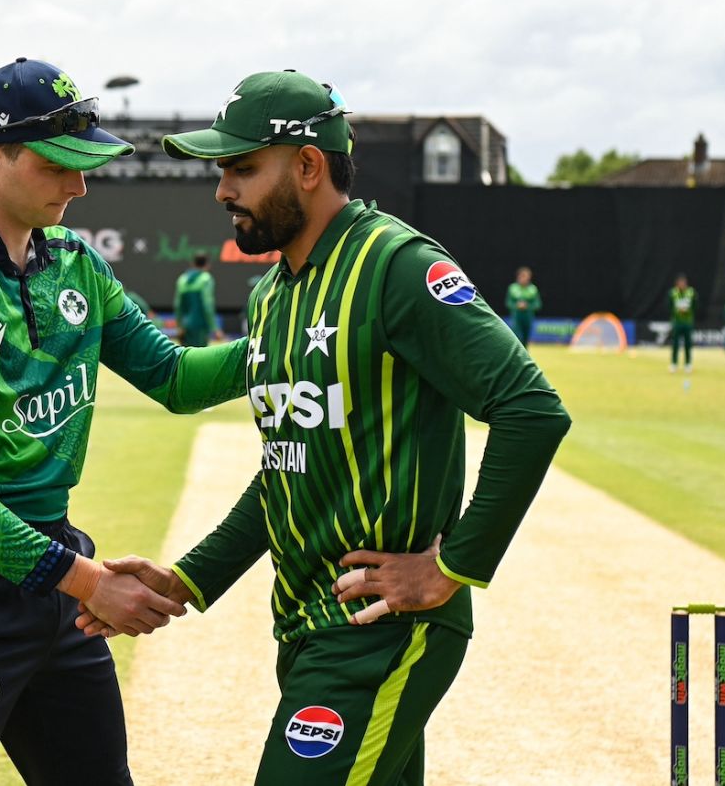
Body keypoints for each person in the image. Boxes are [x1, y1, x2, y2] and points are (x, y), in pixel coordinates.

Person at [78, 69, 571, 785]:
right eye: (221, 171)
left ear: (308, 166)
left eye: (242, 168)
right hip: (307, 630)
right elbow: (287, 463)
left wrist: (451, 566)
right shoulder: (274, 295)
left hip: (382, 632)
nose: (223, 191)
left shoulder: (397, 266)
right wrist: (187, 579)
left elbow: (530, 408)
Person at [0, 57, 248, 786]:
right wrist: (85, 581)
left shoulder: (76, 262)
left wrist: (283, 342)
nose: (80, 186)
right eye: (58, 167)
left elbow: (172, 377)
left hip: (56, 574)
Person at [174, 252, 219, 346]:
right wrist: (215, 328)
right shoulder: (206, 279)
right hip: (200, 327)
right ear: (207, 265)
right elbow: (207, 306)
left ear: (193, 264)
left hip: (185, 328)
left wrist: (179, 326)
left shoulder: (182, 279)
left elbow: (177, 305)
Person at [504, 266, 540, 347]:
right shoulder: (513, 288)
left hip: (528, 317)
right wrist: (517, 306)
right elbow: (508, 303)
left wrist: (527, 306)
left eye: (526, 276)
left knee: (525, 339)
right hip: (517, 317)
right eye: (522, 276)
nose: (524, 278)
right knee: (517, 337)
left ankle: (525, 356)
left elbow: (537, 304)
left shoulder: (533, 289)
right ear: (518, 276)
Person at [668, 273, 697, 373]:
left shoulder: (691, 292)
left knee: (688, 344)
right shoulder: (673, 293)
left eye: (683, 283)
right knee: (675, 344)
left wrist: (688, 312)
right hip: (677, 322)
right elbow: (669, 306)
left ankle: (688, 364)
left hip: (687, 323)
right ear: (677, 284)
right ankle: (673, 364)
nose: (682, 284)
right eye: (680, 283)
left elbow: (695, 306)